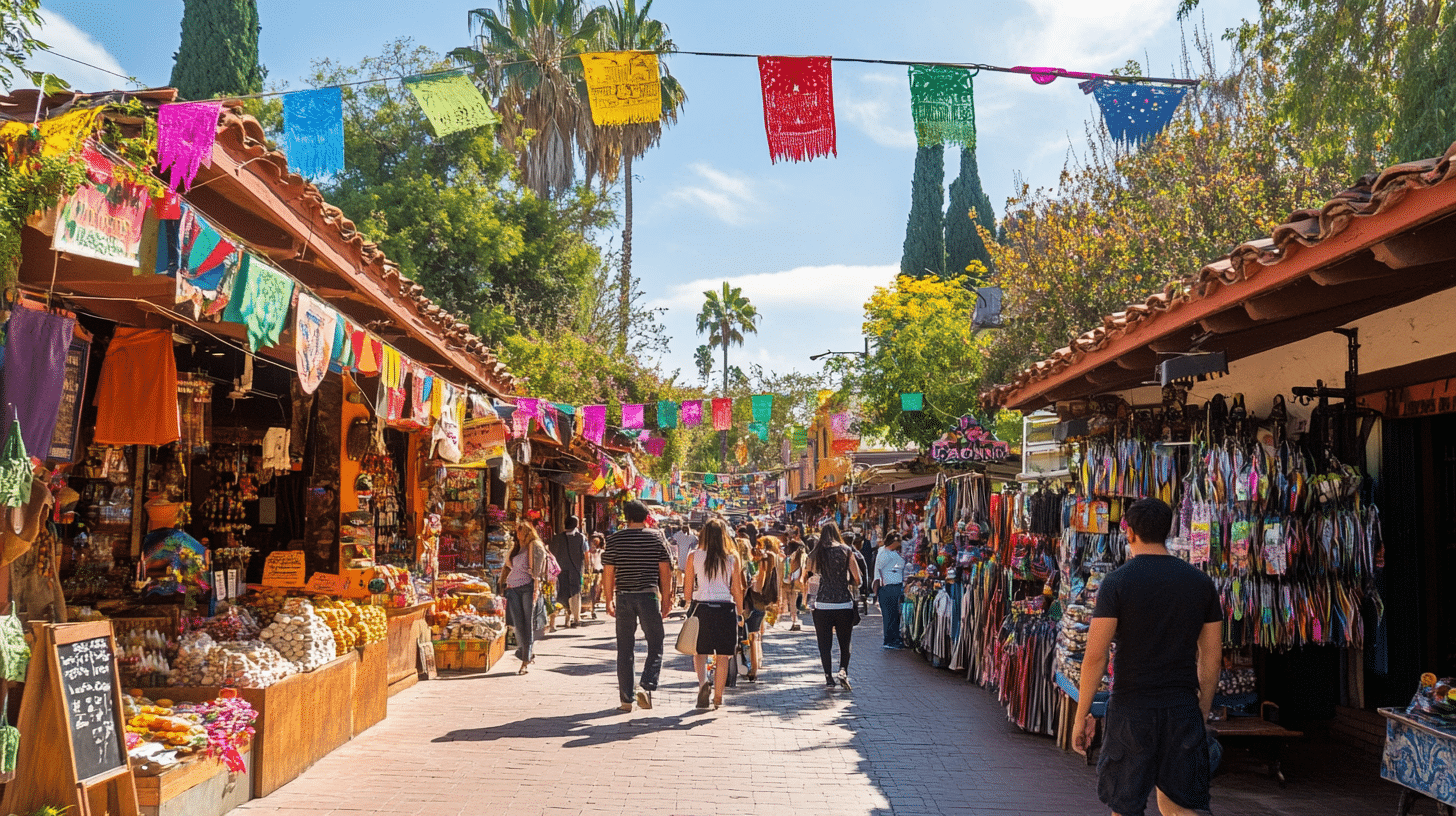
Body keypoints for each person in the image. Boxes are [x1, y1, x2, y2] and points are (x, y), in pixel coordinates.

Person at [1073, 498, 1223, 816]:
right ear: (1167, 531)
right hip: (1181, 707)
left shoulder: (1116, 583)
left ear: (1129, 533)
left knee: (1126, 806)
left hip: (1131, 709)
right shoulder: (1201, 584)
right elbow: (1211, 657)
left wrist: (1081, 715)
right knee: (1181, 806)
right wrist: (1203, 709)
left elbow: (1095, 656)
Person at [602, 500, 673, 712]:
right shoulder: (656, 537)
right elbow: (665, 570)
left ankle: (626, 699)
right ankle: (646, 683)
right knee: (656, 642)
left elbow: (608, 571)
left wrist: (608, 599)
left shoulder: (614, 539)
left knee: (625, 648)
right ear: (646, 517)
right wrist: (667, 599)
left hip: (623, 596)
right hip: (649, 597)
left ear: (627, 517)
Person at [684, 518, 744, 709]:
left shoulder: (694, 556)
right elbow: (737, 588)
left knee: (699, 651)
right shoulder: (732, 558)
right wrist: (740, 612)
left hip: (702, 607)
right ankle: (718, 697)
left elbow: (687, 589)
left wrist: (688, 600)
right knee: (723, 655)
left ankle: (703, 685)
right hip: (725, 607)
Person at [806, 521, 861, 690]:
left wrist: (810, 600)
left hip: (822, 604)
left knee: (824, 643)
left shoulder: (815, 554)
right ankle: (843, 670)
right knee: (845, 642)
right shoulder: (846, 551)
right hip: (843, 603)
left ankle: (828, 677)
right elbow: (857, 578)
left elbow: (810, 579)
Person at [500, 521, 549, 675]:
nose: (517, 533)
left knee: (527, 624)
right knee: (517, 625)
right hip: (513, 589)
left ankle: (525, 661)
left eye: (520, 531)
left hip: (527, 589)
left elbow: (537, 571)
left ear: (527, 532)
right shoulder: (516, 548)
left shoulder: (533, 546)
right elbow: (508, 565)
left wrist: (536, 589)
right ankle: (525, 653)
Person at [742, 535, 781, 681]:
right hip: (764, 604)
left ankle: (753, 668)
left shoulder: (764, 567)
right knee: (756, 634)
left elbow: (758, 583)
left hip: (755, 603)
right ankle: (757, 663)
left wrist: (752, 583)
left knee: (752, 636)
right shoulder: (775, 564)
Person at [548, 516, 588, 630]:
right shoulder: (581, 538)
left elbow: (552, 553)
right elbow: (586, 553)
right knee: (575, 594)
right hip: (575, 569)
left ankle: (552, 622)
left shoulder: (557, 538)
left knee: (560, 594)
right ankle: (576, 619)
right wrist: (587, 568)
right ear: (576, 525)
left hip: (560, 570)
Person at [872, 533, 906, 649]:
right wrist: (878, 587)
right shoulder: (883, 553)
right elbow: (878, 570)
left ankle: (894, 638)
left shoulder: (892, 552)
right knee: (890, 614)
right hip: (888, 587)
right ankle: (890, 640)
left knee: (894, 614)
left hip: (895, 586)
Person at [779, 530, 806, 631]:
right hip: (797, 582)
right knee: (793, 603)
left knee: (790, 603)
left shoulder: (789, 558)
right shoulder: (801, 557)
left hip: (788, 582)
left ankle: (794, 621)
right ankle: (795, 621)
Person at [671, 524, 698, 607]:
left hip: (689, 558)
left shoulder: (693, 537)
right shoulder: (677, 535)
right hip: (680, 558)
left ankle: (688, 597)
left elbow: (696, 546)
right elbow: (673, 543)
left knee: (688, 577)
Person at [583, 532, 606, 619]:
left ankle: (593, 607)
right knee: (592, 591)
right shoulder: (589, 552)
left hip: (599, 572)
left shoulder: (602, 552)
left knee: (596, 591)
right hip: (591, 573)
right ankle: (592, 608)